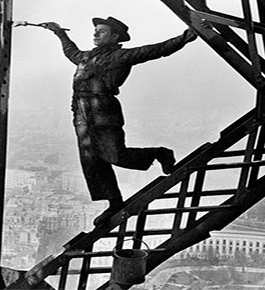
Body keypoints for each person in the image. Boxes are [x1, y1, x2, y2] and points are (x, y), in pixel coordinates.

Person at [40, 16, 198, 224]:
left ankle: (160, 153)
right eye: (95, 30)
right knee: (92, 162)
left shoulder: (121, 56)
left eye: (102, 31)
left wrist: (184, 37)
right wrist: (59, 32)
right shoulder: (86, 57)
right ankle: (114, 202)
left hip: (104, 113)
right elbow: (71, 52)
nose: (95, 34)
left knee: (115, 155)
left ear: (115, 37)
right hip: (81, 115)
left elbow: (155, 50)